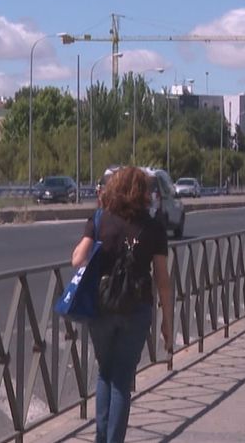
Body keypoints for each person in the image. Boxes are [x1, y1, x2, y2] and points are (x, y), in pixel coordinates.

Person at [70, 166, 174, 443]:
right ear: (142, 193)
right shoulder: (153, 227)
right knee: (122, 378)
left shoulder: (100, 219)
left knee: (105, 372)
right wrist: (168, 321)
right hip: (137, 309)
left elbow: (77, 259)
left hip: (102, 306)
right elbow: (163, 279)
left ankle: (101, 438)